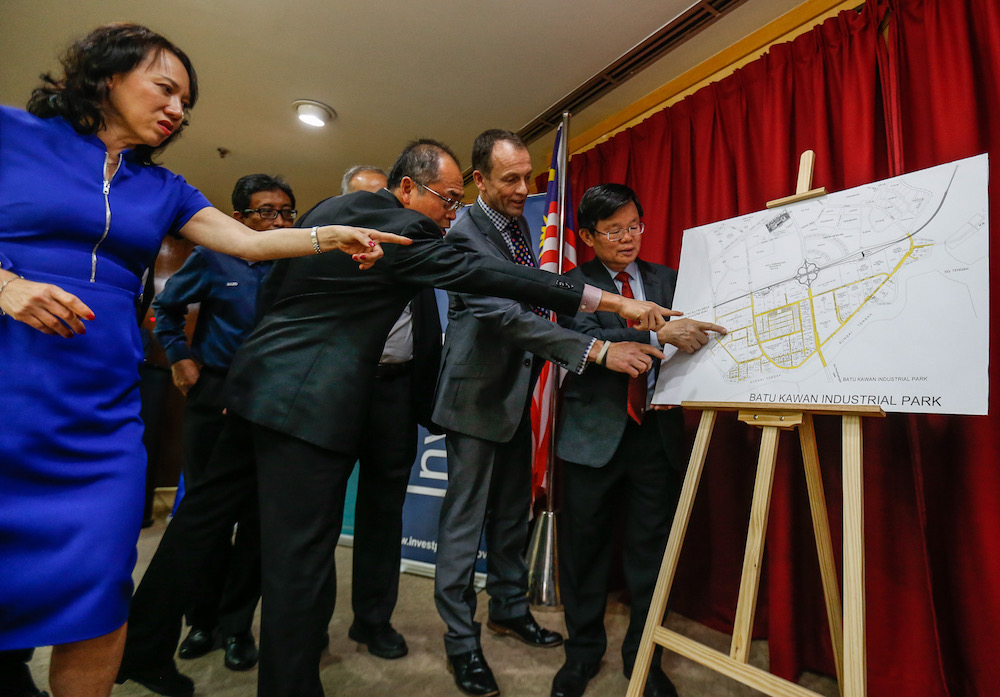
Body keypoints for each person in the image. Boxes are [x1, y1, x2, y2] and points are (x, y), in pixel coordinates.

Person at [0, 23, 404, 697]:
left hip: (99, 415)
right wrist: (7, 286)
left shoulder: (163, 187)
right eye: (165, 88)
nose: (177, 110)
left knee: (98, 598)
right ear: (106, 77)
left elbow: (249, 242)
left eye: (186, 100)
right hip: (11, 393)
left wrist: (329, 233)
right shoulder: (12, 136)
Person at [223, 138, 679, 697]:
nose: (452, 211)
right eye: (448, 197)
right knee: (297, 553)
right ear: (411, 188)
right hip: (324, 401)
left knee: (304, 548)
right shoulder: (418, 232)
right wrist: (612, 310)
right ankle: (428, 648)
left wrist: (247, 365)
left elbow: (276, 291)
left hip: (278, 390)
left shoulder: (332, 214)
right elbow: (502, 290)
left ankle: (495, 610)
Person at [431, 130, 664, 697]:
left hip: (517, 397)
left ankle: (509, 607)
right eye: (509, 179)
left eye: (527, 177)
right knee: (464, 532)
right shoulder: (465, 235)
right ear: (478, 181)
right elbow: (506, 316)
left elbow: (541, 294)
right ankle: (461, 644)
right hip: (474, 401)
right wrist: (598, 348)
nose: (522, 189)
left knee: (512, 516)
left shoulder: (514, 229)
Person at [550, 184, 726, 697]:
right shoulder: (568, 283)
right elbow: (578, 339)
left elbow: (690, 340)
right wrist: (654, 337)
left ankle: (644, 658)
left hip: (656, 435)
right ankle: (581, 655)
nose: (627, 239)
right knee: (584, 552)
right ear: (586, 236)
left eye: (634, 226)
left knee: (652, 552)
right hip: (590, 436)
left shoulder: (669, 280)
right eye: (613, 230)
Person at [150, 174, 299, 672]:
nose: (278, 221)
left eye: (285, 212)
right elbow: (164, 309)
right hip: (214, 395)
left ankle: (238, 627)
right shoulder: (213, 259)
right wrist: (178, 357)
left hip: (271, 404)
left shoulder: (293, 264)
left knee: (258, 521)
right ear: (239, 219)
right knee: (207, 518)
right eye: (266, 212)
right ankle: (202, 621)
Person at [339, 163, 444, 660]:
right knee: (316, 513)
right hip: (337, 391)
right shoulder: (327, 259)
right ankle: (306, 624)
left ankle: (373, 620)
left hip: (395, 394)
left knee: (383, 511)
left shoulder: (411, 251)